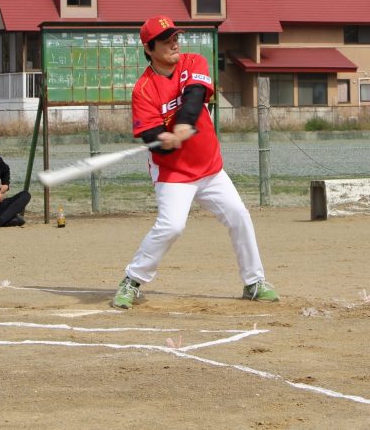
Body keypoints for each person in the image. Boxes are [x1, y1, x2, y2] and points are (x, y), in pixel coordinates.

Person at [111, 15, 279, 309]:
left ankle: (254, 282)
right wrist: (164, 140)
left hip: (210, 168)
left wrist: (184, 123)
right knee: (172, 226)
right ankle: (132, 280)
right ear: (149, 49)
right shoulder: (143, 90)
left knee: (239, 215)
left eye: (176, 37)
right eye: (166, 40)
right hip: (173, 173)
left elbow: (195, 95)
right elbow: (148, 134)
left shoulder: (193, 62)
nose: (175, 43)